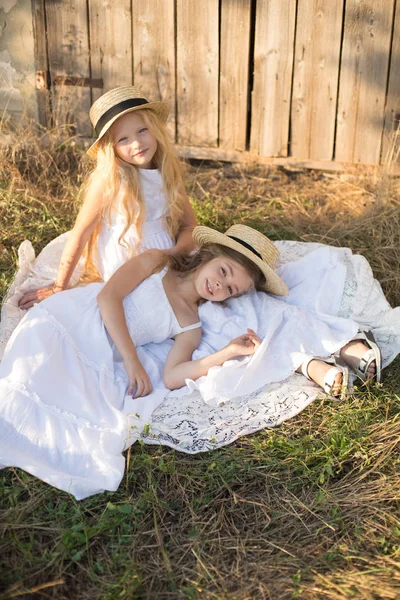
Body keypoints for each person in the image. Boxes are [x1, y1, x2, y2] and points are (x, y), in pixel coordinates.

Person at [0, 225, 288, 497]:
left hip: (100, 350)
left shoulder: (191, 324)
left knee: (75, 403)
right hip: (74, 318)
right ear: (211, 254)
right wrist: (131, 359)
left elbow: (174, 376)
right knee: (30, 375)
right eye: (224, 272)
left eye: (231, 289)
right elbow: (108, 296)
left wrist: (228, 352)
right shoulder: (157, 263)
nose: (220, 285)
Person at [15, 85, 198, 310]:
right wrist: (59, 287)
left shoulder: (167, 171)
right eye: (123, 139)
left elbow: (190, 226)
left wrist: (174, 254)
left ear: (155, 129)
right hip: (127, 258)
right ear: (111, 148)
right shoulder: (112, 180)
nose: (137, 143)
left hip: (167, 250)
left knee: (203, 287)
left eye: (142, 130)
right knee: (162, 304)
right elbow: (81, 232)